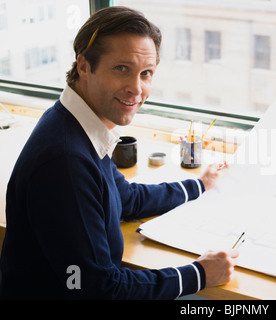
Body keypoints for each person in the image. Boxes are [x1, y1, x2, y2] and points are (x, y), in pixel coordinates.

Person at [0, 6, 238, 299]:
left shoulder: (77, 125)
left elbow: (124, 198)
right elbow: (99, 288)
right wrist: (199, 274)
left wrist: (199, 186)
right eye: (121, 69)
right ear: (84, 66)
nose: (136, 89)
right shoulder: (65, 161)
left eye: (146, 73)